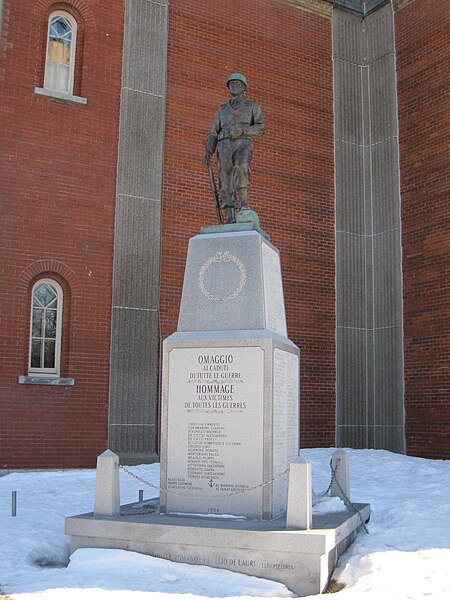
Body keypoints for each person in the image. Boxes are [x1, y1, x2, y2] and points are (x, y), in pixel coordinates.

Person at [204, 73, 266, 223]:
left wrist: (243, 131)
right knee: (225, 181)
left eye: (236, 83)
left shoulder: (252, 106)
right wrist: (209, 150)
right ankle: (230, 217)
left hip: (243, 143)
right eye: (230, 84)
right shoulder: (222, 109)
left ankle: (244, 206)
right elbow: (213, 131)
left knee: (241, 167)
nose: (233, 86)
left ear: (243, 87)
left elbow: (261, 127)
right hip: (224, 144)